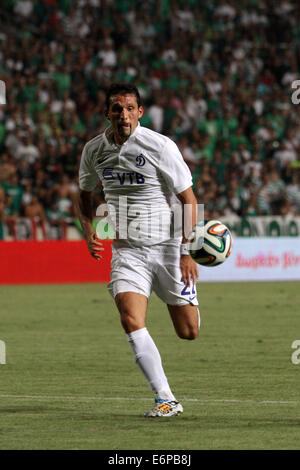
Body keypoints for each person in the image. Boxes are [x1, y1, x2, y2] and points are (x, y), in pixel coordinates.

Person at [78, 83, 200, 417]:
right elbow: (86, 193)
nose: (123, 115)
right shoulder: (94, 150)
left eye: (130, 108)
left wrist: (188, 252)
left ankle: (179, 298)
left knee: (188, 331)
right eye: (117, 109)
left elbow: (188, 200)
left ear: (140, 112)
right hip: (128, 252)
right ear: (107, 113)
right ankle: (165, 398)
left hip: (168, 248)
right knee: (130, 319)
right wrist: (88, 228)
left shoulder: (160, 146)